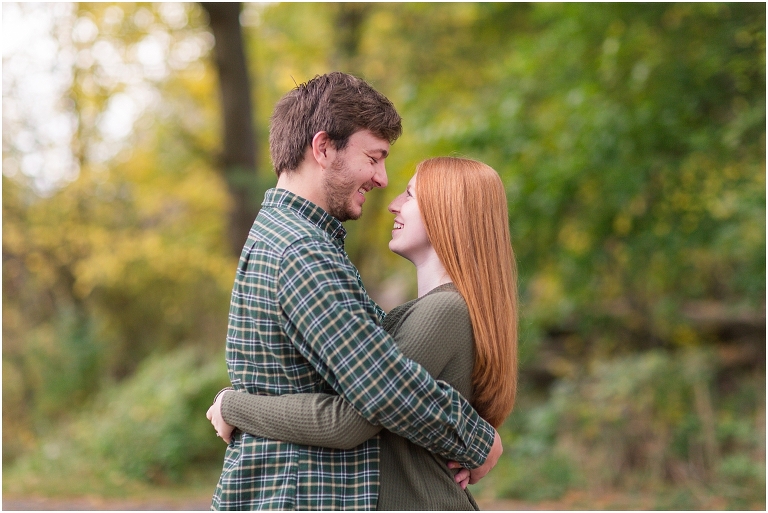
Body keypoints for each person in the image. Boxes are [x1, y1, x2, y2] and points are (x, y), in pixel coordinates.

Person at [209, 73, 503, 510]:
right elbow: (381, 388)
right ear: (324, 148)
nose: (382, 179)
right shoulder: (302, 251)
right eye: (374, 157)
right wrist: (480, 442)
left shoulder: (291, 239)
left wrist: (233, 405)